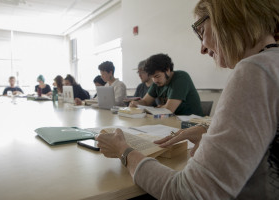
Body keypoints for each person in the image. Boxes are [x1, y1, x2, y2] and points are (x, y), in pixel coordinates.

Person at [96, 0, 279, 199]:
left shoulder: (256, 70)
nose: (202, 48)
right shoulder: (271, 65)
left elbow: (189, 194)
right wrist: (210, 130)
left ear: (227, 16)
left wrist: (124, 151)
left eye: (200, 31)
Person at [130, 53, 203, 116]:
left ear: (167, 70)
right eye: (152, 77)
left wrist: (158, 108)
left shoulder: (181, 77)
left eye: (157, 76)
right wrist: (137, 104)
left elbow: (168, 110)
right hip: (171, 122)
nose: (154, 81)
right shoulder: (157, 82)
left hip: (192, 123)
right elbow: (145, 102)